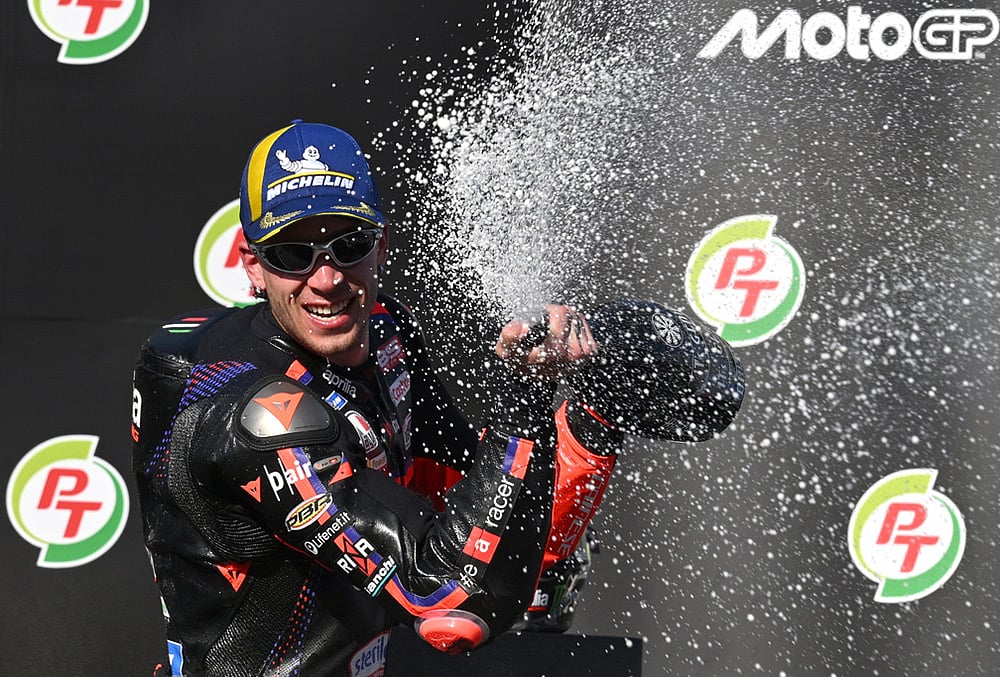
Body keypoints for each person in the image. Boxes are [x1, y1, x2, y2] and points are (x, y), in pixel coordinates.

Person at [131, 120, 745, 677]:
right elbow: (448, 593)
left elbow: (468, 503)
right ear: (252, 265)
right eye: (292, 254)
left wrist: (593, 419)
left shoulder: (384, 335)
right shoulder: (249, 410)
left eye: (349, 245)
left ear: (381, 245)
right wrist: (523, 398)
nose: (327, 279)